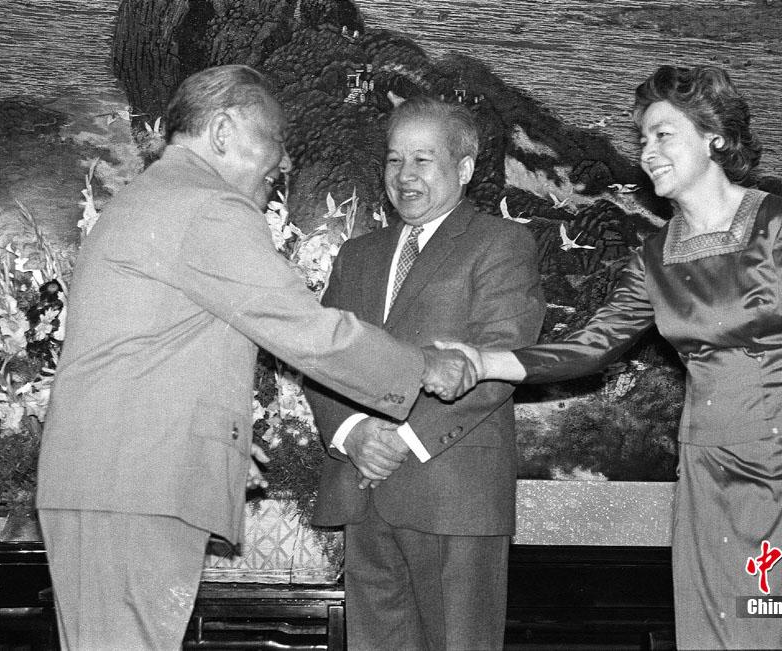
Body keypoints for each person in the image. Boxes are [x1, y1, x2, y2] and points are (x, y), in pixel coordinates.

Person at [35, 65, 471, 650]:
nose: (283, 162)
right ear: (222, 131)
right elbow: (303, 328)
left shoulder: (156, 196)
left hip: (118, 481)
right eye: (274, 140)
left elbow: (160, 349)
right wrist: (422, 367)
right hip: (132, 489)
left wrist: (221, 443)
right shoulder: (205, 205)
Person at [436, 65, 782, 650]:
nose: (647, 152)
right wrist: (484, 362)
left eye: (663, 135)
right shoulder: (654, 256)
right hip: (707, 476)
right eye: (642, 139)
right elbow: (591, 346)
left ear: (714, 138)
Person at [302, 96, 545, 651]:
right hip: (362, 491)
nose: (404, 175)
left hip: (454, 497)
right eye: (394, 160)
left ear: (465, 167)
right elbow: (318, 357)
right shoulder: (357, 255)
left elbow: (501, 358)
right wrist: (352, 435)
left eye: (422, 160)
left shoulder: (502, 243)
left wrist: (402, 439)